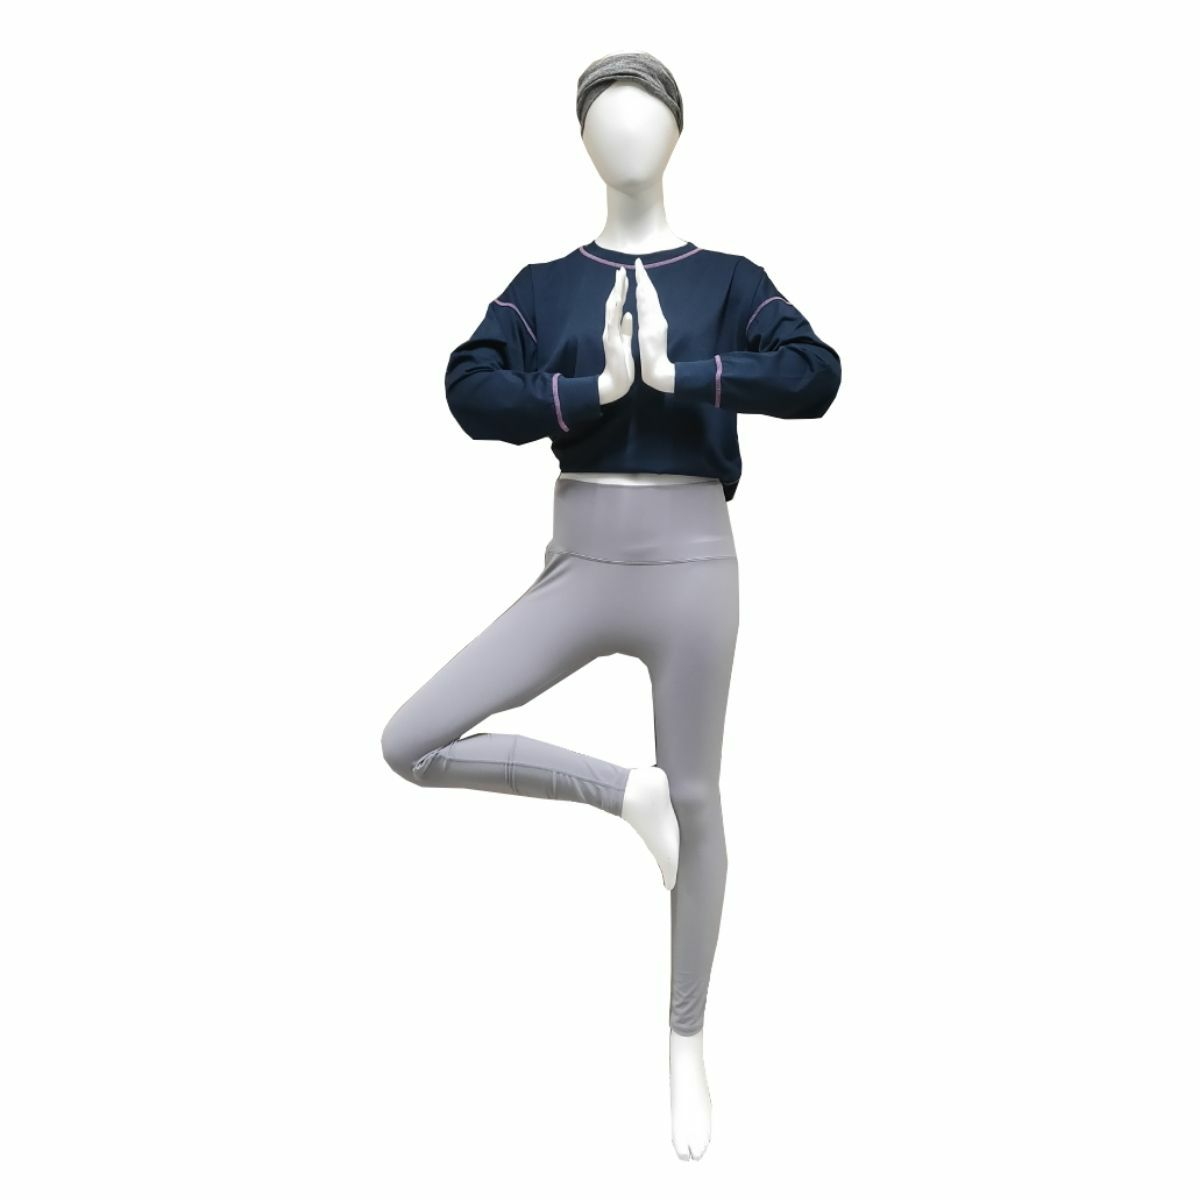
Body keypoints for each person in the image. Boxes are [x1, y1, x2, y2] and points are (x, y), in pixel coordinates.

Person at [381, 51, 842, 1160]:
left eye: (644, 118)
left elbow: (816, 374)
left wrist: (689, 377)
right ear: (581, 142)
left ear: (678, 132)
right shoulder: (544, 285)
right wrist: (592, 391)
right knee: (411, 740)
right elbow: (468, 387)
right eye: (604, 122)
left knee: (702, 798)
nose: (626, 138)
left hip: (694, 563)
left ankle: (687, 1041)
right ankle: (621, 794)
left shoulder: (727, 279)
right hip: (582, 560)